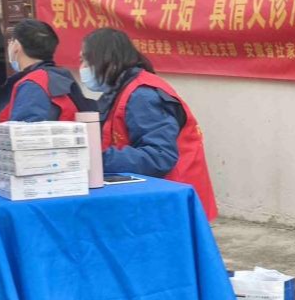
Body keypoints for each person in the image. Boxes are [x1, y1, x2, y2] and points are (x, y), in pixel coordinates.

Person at [79, 27, 218, 219]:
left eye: (85, 60)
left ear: (106, 59)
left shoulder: (142, 95)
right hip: (151, 197)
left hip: (172, 201)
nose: (82, 67)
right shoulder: (118, 91)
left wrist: (98, 159)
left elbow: (159, 156)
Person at [0, 18, 92, 123]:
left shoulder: (33, 84)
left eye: (11, 41)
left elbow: (25, 130)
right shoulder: (61, 76)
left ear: (16, 46)